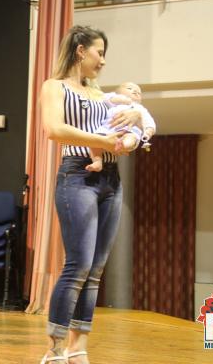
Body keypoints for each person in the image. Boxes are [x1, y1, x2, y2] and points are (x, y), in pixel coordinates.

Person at [39, 25, 142, 364]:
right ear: (81, 51)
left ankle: (77, 347)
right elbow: (55, 129)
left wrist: (133, 128)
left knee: (96, 269)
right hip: (77, 175)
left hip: (111, 179)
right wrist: (105, 143)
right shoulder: (54, 87)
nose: (103, 61)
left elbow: (128, 130)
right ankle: (54, 348)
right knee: (78, 264)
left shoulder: (104, 96)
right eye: (100, 53)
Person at [85, 82, 156, 172]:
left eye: (139, 93)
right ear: (117, 92)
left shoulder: (140, 108)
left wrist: (148, 131)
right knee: (94, 141)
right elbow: (104, 98)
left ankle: (123, 145)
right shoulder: (114, 102)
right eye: (129, 89)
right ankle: (97, 161)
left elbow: (149, 121)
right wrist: (118, 99)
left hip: (130, 130)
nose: (135, 91)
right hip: (109, 129)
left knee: (130, 139)